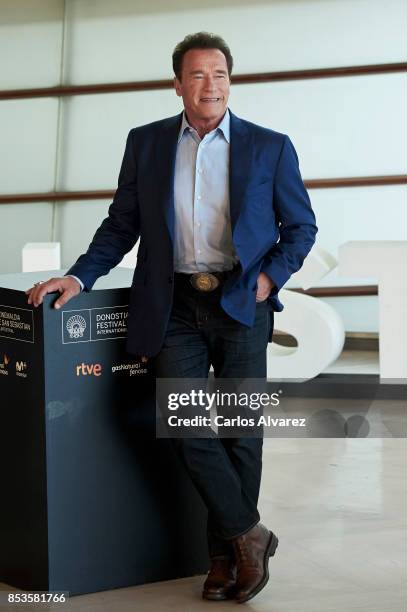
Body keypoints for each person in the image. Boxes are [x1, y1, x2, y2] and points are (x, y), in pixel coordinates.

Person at [26, 32, 317, 603]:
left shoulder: (269, 146)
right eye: (199, 75)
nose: (211, 85)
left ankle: (221, 559)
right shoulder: (148, 143)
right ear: (178, 84)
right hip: (174, 303)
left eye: (220, 74)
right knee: (184, 424)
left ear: (230, 81)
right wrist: (79, 275)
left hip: (241, 301)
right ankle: (248, 534)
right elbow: (121, 224)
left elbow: (301, 227)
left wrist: (268, 278)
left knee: (240, 433)